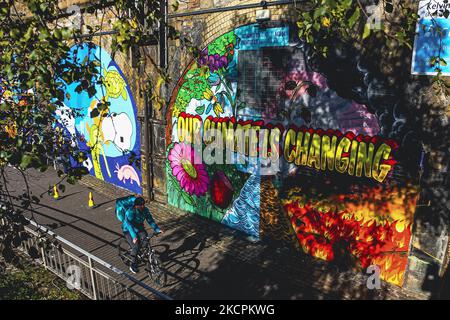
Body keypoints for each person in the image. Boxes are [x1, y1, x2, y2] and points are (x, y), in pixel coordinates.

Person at [122, 196, 163, 274]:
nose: (143, 206)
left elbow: (150, 220)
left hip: (139, 227)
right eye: (141, 205)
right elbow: (129, 226)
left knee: (145, 242)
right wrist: (134, 237)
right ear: (136, 205)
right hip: (128, 230)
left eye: (143, 204)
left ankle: (143, 255)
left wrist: (157, 229)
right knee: (136, 246)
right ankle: (133, 264)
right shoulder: (130, 212)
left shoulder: (145, 210)